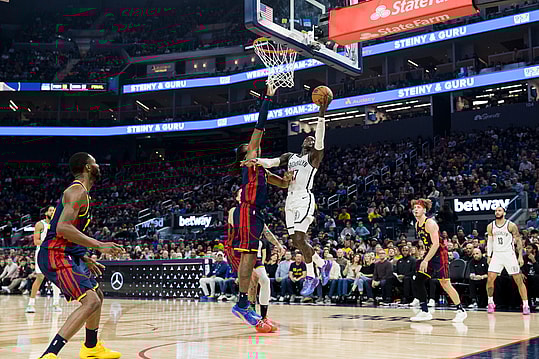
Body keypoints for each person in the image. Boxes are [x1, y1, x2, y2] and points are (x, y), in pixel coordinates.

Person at [240, 95, 332, 296]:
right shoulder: (290, 157)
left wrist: (322, 112)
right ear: (302, 141)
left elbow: (321, 136)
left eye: (313, 139)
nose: (311, 138)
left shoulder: (314, 157)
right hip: (289, 199)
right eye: (308, 137)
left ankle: (311, 275)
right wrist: (257, 162)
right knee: (295, 240)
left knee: (300, 237)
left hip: (304, 198)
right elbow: (272, 162)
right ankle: (323, 263)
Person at [37, 152, 123, 359]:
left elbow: (68, 233)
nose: (98, 166)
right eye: (95, 163)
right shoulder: (77, 192)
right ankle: (50, 354)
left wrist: (83, 256)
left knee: (98, 297)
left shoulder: (82, 193)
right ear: (87, 167)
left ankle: (91, 348)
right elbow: (62, 228)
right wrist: (99, 245)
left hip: (66, 253)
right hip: (54, 254)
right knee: (91, 301)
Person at [229, 82, 279, 327]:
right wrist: (267, 99)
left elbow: (278, 181)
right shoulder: (249, 161)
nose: (254, 149)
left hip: (256, 213)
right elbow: (259, 129)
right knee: (249, 256)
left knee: (251, 256)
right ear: (244, 157)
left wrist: (290, 177)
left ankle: (242, 302)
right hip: (248, 211)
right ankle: (241, 303)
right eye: (249, 149)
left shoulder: (259, 168)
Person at [410, 199, 467, 322]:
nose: (416, 209)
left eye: (418, 207)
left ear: (424, 210)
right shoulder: (416, 224)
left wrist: (425, 260)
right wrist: (424, 255)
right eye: (414, 207)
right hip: (429, 253)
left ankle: (460, 310)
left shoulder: (429, 223)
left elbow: (436, 244)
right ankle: (425, 311)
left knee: (445, 283)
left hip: (440, 254)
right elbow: (427, 243)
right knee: (418, 280)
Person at [486, 206, 530, 314]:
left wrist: (520, 256)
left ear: (504, 213)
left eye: (499, 210)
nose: (497, 212)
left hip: (509, 254)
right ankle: (490, 302)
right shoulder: (490, 226)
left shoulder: (511, 225)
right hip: (497, 254)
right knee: (490, 279)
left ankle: (525, 304)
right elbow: (490, 242)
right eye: (496, 211)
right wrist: (489, 256)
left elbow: (518, 240)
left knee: (518, 280)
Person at [26, 205, 62, 313]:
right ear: (46, 213)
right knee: (40, 278)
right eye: (50, 210)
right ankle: (31, 304)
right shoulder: (40, 224)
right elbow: (36, 241)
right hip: (42, 252)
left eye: (54, 211)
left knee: (56, 279)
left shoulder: (57, 225)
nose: (52, 212)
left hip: (54, 254)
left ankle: (56, 304)